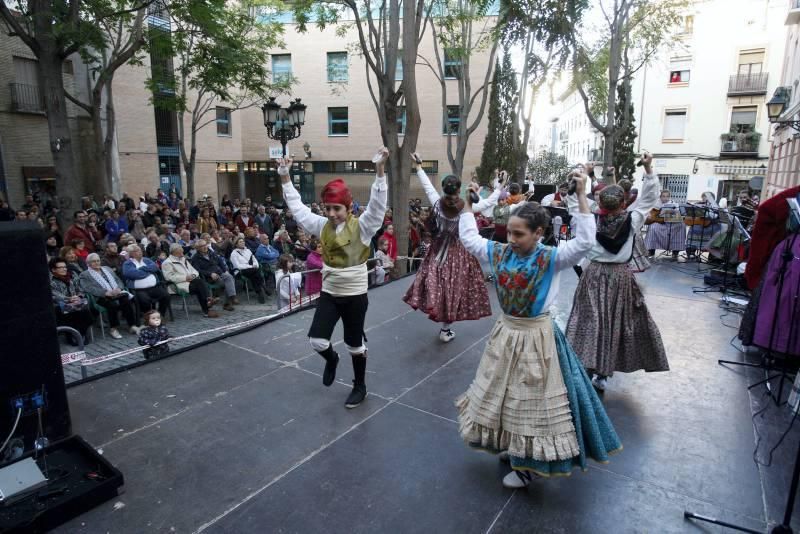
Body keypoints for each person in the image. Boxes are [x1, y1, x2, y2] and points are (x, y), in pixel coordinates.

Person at [456, 173, 622, 488]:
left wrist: (583, 196)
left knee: (532, 400)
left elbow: (585, 241)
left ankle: (529, 466)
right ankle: (514, 445)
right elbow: (469, 238)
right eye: (510, 233)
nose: (512, 239)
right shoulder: (500, 251)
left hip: (537, 337)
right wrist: (467, 205)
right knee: (505, 393)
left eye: (519, 234)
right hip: (507, 333)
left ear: (539, 233)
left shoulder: (552, 258)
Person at [278, 149, 388, 409]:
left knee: (355, 345)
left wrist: (380, 171)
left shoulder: (362, 227)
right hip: (329, 292)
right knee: (317, 341)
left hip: (355, 295)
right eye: (327, 208)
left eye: (336, 208)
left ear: (348, 208)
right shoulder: (320, 226)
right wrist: (284, 176)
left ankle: (359, 385)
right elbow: (298, 209)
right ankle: (331, 359)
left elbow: (377, 206)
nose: (330, 213)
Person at [565, 153, 669, 392]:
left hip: (594, 275)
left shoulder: (590, 217)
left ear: (600, 203)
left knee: (591, 320)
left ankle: (587, 366)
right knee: (613, 322)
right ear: (623, 203)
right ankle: (602, 374)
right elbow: (648, 198)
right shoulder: (632, 219)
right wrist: (649, 168)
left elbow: (573, 204)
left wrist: (579, 180)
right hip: (621, 276)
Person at [403, 152, 498, 343]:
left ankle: (435, 308)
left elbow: (428, 187)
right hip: (459, 254)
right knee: (453, 288)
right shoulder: (467, 208)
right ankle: (446, 329)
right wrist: (499, 187)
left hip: (437, 252)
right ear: (458, 190)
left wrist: (419, 167)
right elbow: (488, 203)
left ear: (444, 189)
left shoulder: (437, 203)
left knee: (438, 284)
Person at [79, 253, 140, 339]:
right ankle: (113, 328)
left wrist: (119, 288)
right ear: (88, 264)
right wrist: (105, 293)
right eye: (93, 261)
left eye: (98, 261)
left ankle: (132, 325)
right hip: (100, 297)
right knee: (112, 304)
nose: (96, 263)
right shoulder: (85, 274)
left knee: (126, 299)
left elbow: (117, 280)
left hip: (116, 292)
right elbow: (88, 288)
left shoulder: (107, 269)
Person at [161, 243, 219, 317]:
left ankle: (207, 306)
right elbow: (169, 277)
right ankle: (207, 306)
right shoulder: (167, 263)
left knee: (200, 283)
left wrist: (193, 276)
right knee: (200, 285)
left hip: (191, 281)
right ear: (175, 252)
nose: (183, 253)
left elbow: (194, 270)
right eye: (181, 252)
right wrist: (185, 278)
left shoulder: (183, 259)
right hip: (177, 285)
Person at [49, 257, 94, 345]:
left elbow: (80, 289)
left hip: (76, 303)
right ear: (53, 269)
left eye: (65, 267)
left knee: (85, 311)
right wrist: (68, 299)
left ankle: (81, 333)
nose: (64, 269)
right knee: (67, 313)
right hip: (60, 305)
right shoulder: (51, 281)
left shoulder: (72, 276)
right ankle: (71, 336)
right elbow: (55, 295)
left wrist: (79, 296)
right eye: (61, 267)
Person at [121, 244, 171, 317]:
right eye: (137, 251)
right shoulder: (128, 263)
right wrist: (148, 271)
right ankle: (149, 317)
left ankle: (160, 315)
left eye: (140, 250)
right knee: (144, 301)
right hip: (139, 290)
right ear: (131, 253)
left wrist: (142, 268)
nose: (140, 252)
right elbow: (134, 274)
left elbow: (155, 267)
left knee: (166, 296)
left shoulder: (146, 260)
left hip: (154, 287)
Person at [191, 239, 238, 311]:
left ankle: (231, 297)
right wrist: (210, 274)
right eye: (202, 246)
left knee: (229, 277)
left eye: (205, 245)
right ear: (198, 248)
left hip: (219, 273)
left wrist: (225, 271)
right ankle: (223, 301)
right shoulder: (195, 258)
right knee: (225, 282)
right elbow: (197, 271)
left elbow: (220, 262)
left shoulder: (212, 253)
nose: (205, 247)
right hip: (207, 277)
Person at [644, 189, 685, 259]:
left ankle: (675, 252)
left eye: (667, 196)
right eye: (663, 196)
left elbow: (677, 216)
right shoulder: (656, 204)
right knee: (652, 227)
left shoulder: (674, 204)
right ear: (660, 197)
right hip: (660, 223)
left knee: (682, 225)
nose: (665, 198)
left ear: (669, 197)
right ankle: (651, 250)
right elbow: (651, 215)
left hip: (671, 224)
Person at [230, 237, 267, 303]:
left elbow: (254, 259)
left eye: (243, 241)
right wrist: (250, 266)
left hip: (251, 270)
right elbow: (237, 266)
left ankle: (259, 292)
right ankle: (262, 287)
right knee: (255, 272)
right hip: (240, 271)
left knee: (254, 273)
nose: (243, 243)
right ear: (236, 244)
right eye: (240, 242)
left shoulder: (248, 250)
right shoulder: (234, 254)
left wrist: (256, 265)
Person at [685, 191, 721, 258]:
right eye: (704, 197)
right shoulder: (698, 204)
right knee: (693, 228)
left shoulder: (715, 206)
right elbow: (690, 214)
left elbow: (717, 217)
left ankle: (713, 254)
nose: (705, 198)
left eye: (707, 197)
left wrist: (708, 214)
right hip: (699, 224)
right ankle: (691, 252)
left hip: (711, 225)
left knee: (716, 229)